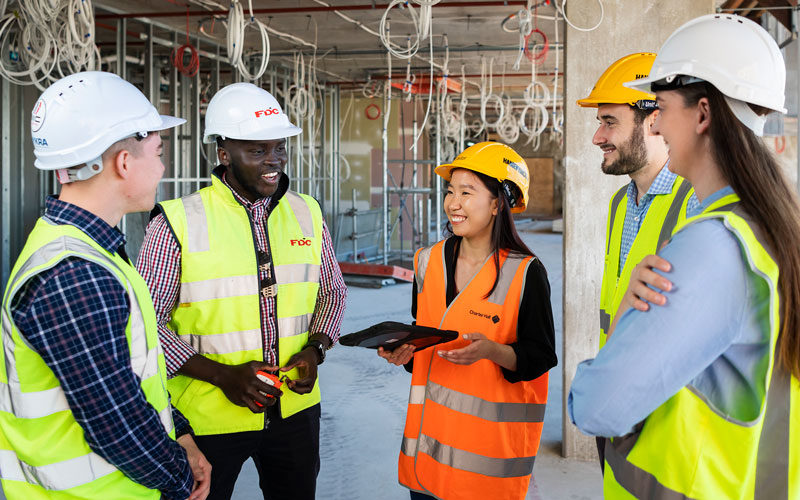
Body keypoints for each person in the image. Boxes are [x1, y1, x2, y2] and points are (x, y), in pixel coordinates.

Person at [569, 14, 800, 499]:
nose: (658, 122)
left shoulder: (715, 243)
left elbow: (595, 406)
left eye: (661, 107)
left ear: (701, 114)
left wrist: (600, 363)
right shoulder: (763, 229)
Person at [0, 71, 210, 500]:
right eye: (158, 151)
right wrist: (179, 480)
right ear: (124, 163)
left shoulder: (90, 250)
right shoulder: (75, 274)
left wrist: (180, 433)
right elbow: (117, 426)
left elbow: (128, 379)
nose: (163, 166)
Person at [136, 82, 347, 500]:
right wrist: (222, 375)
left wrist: (315, 350)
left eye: (279, 148)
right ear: (224, 153)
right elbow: (145, 325)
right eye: (257, 151)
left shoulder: (307, 212)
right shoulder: (177, 222)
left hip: (295, 412)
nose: (274, 162)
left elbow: (333, 293)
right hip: (206, 417)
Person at [378, 142, 557, 500]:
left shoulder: (525, 273)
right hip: (427, 453)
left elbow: (539, 356)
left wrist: (493, 351)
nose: (452, 203)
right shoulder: (427, 261)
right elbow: (427, 340)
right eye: (449, 191)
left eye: (466, 192)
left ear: (496, 203)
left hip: (486, 464)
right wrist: (407, 353)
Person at [577, 52, 697, 351]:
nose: (597, 137)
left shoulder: (696, 201)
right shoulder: (620, 202)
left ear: (654, 121)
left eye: (609, 122)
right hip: (618, 368)